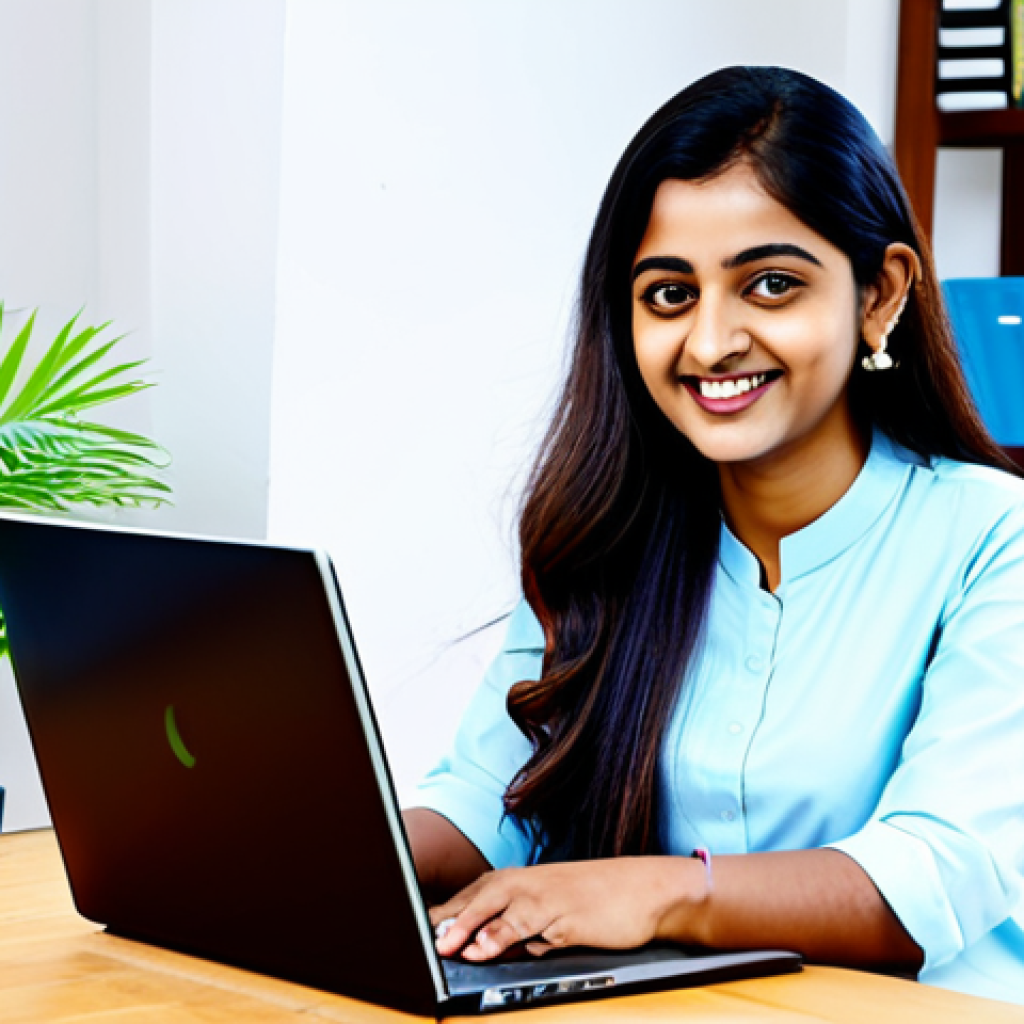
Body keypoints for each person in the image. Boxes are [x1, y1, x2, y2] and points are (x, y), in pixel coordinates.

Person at [402, 66, 1024, 1004]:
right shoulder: (604, 534)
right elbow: (495, 798)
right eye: (668, 293)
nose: (710, 342)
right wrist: (331, 845)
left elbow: (931, 875)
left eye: (770, 285)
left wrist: (658, 894)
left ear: (879, 295)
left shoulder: (995, 536)